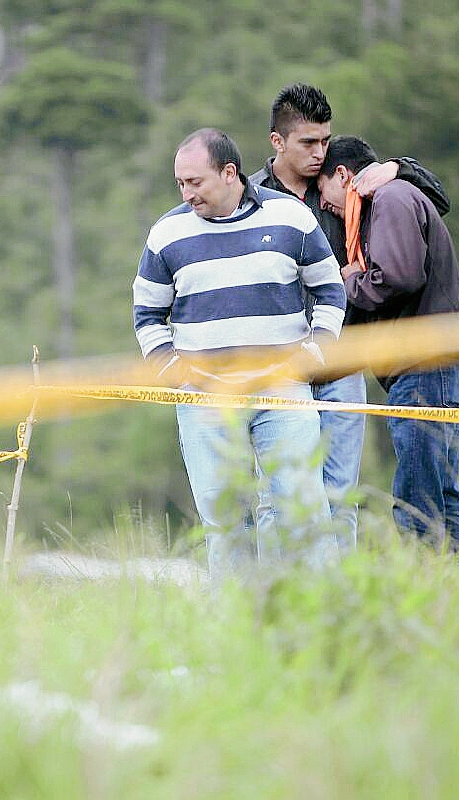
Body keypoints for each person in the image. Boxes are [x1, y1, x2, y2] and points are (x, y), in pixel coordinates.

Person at [133, 128, 344, 578]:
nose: (187, 194)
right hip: (205, 399)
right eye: (180, 184)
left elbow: (329, 289)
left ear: (230, 174)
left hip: (283, 391)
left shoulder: (292, 218)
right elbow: (147, 315)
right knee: (226, 521)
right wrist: (174, 372)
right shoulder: (166, 234)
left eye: (196, 182)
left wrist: (316, 351)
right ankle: (236, 622)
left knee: (302, 508)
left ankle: (318, 615)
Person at [249, 83, 452, 546]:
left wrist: (398, 169)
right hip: (278, 371)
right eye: (307, 143)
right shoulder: (251, 197)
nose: (320, 152)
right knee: (274, 498)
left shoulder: (349, 184)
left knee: (339, 497)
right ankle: (270, 603)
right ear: (277, 142)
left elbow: (434, 204)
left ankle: (335, 603)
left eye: (325, 141)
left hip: (344, 363)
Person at [317, 135, 459, 553]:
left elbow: (399, 276)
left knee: (418, 497)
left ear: (342, 174)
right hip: (438, 364)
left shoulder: (389, 198)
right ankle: (452, 593)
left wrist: (349, 278)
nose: (324, 205)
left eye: (323, 191)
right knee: (441, 493)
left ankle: (425, 588)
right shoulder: (393, 197)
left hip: (426, 364)